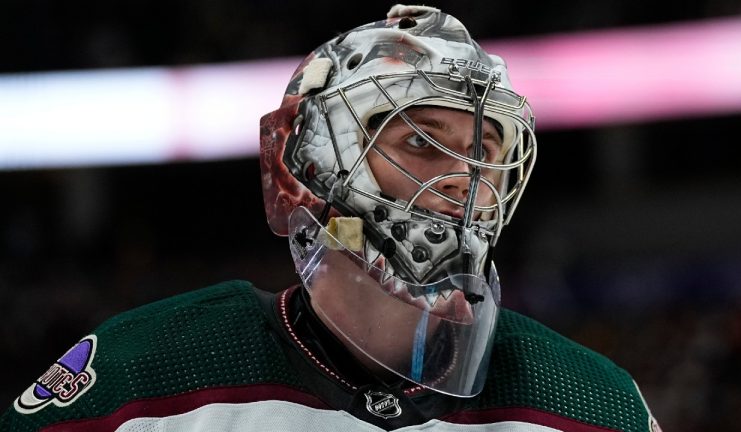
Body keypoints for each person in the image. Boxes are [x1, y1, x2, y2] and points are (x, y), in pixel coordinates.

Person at [1, 5, 662, 431]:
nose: (463, 179)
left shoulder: (593, 401)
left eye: (484, 152)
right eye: (420, 143)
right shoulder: (147, 371)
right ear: (314, 162)